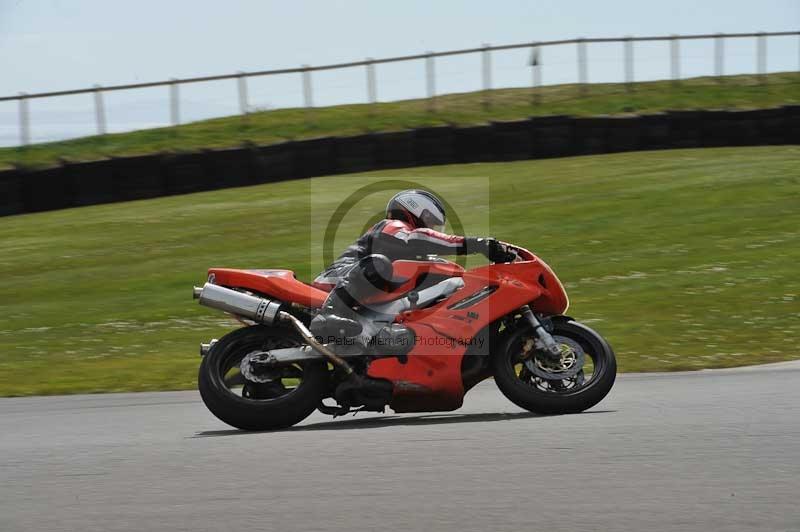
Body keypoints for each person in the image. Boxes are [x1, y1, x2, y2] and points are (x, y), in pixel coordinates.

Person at [310, 189, 514, 341]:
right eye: (430, 222)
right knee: (379, 264)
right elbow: (415, 238)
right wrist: (478, 244)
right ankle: (328, 316)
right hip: (336, 279)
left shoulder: (411, 255)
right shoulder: (393, 226)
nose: (432, 229)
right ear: (415, 213)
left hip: (365, 296)